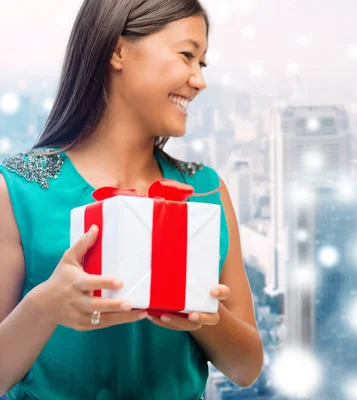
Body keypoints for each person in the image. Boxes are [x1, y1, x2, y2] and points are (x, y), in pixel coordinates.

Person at [0, 1, 263, 399]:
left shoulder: (207, 191)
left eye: (202, 64)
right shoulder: (19, 189)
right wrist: (45, 306)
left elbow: (247, 369)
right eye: (187, 55)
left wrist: (205, 316)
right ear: (118, 51)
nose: (199, 80)